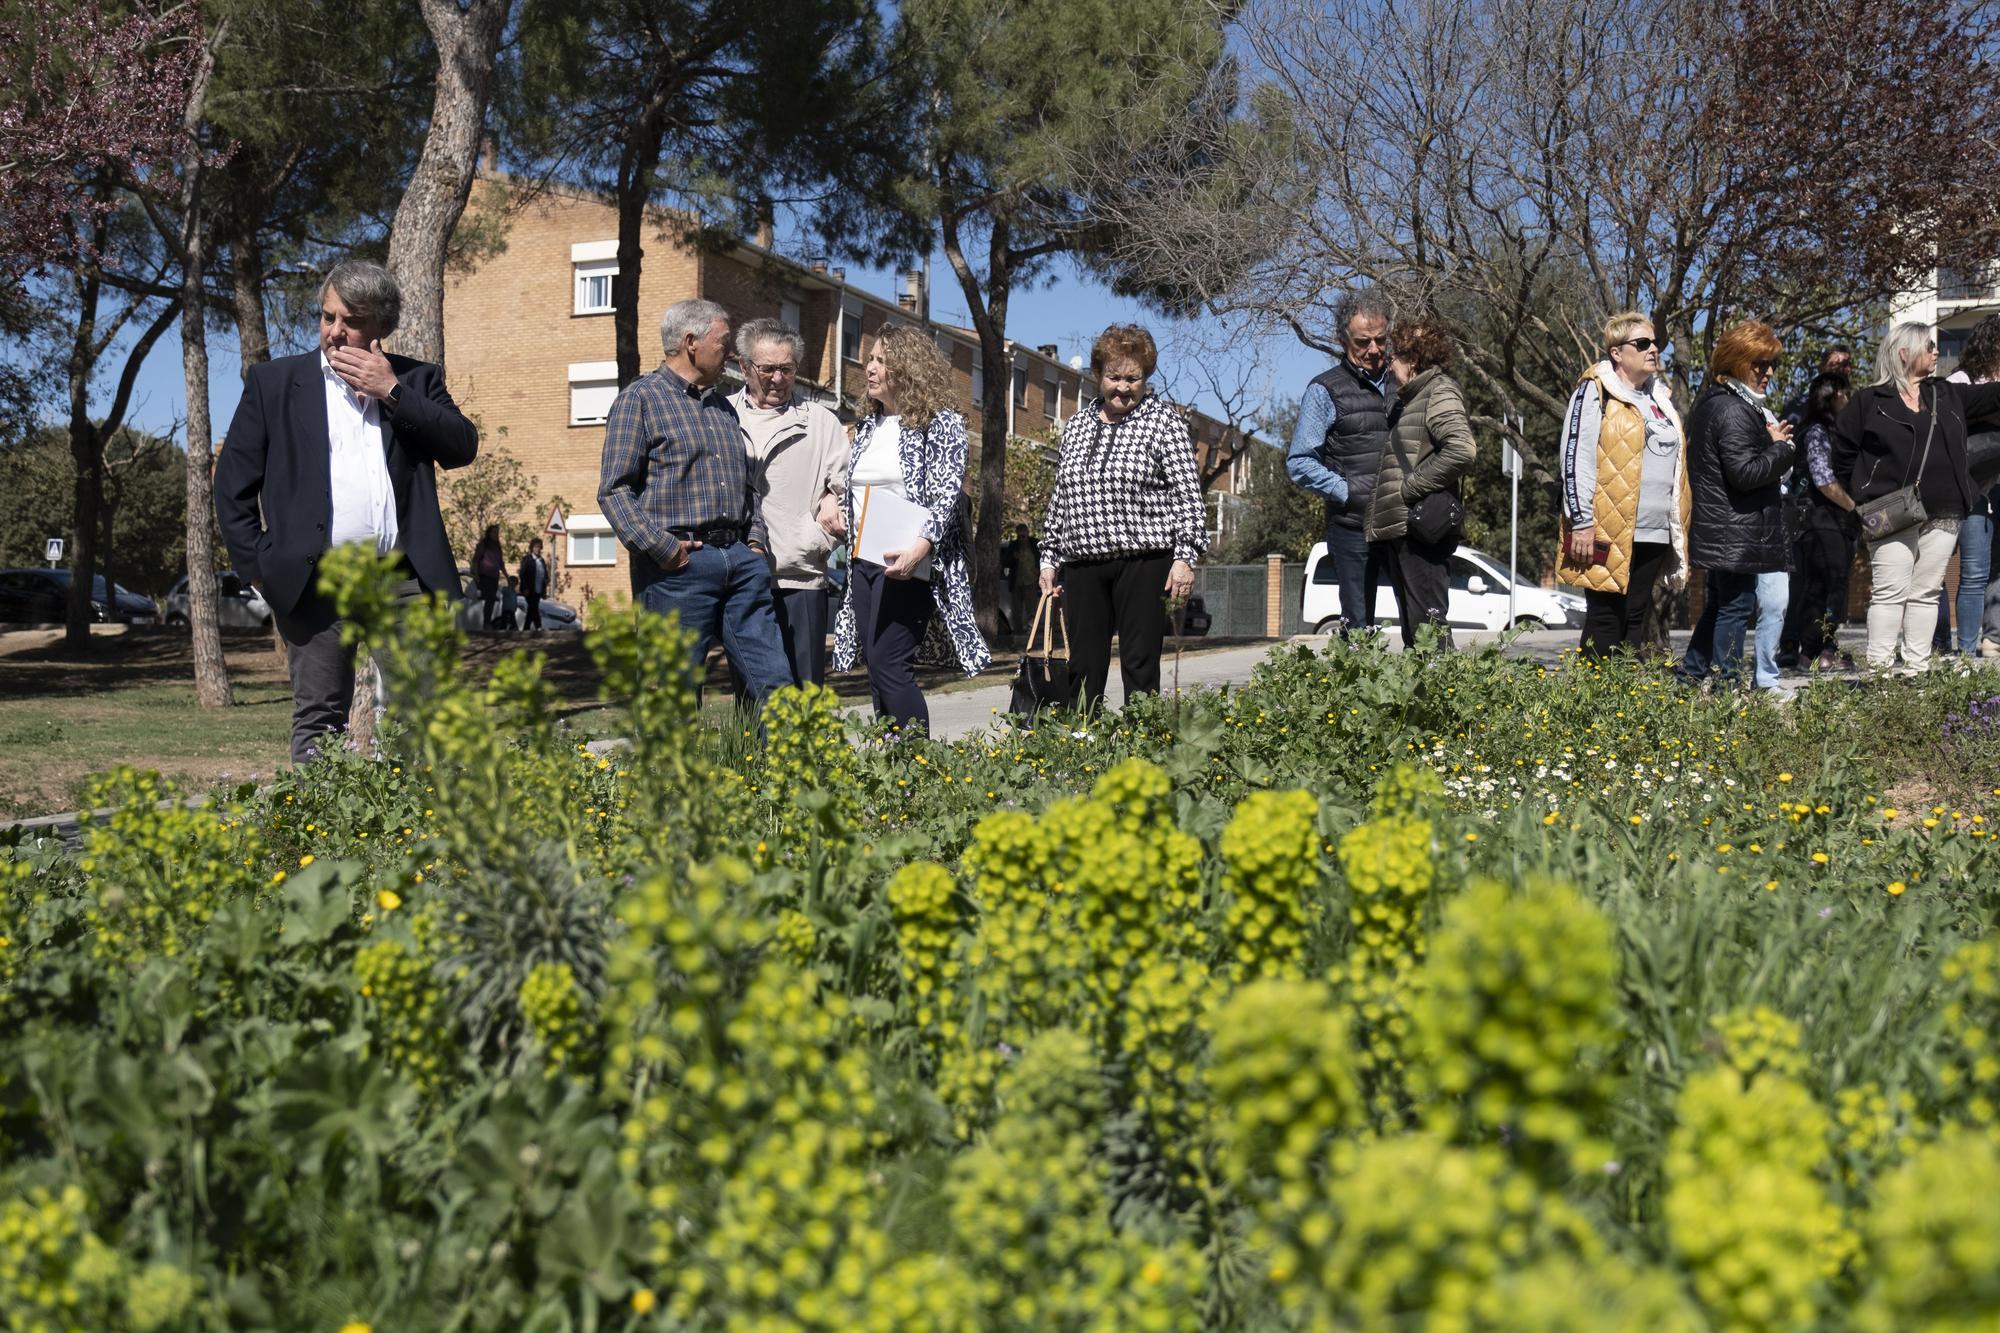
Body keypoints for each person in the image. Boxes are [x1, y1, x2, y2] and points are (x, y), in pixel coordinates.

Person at [215, 258, 479, 764]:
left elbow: (462, 447)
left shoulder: (417, 381)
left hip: (399, 580)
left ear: (382, 325)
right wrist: (259, 568)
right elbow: (232, 488)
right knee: (319, 721)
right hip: (317, 579)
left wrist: (392, 391)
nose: (334, 332)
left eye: (351, 321)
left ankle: (413, 832)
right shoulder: (274, 383)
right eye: (327, 316)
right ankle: (321, 837)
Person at [598, 297, 792, 703]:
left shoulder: (724, 408)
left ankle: (778, 767)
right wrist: (663, 549)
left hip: (740, 563)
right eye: (722, 343)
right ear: (691, 342)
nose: (732, 355)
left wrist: (754, 544)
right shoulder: (640, 400)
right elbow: (614, 490)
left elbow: (748, 487)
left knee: (774, 685)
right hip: (676, 570)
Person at [1038, 324, 1206, 710]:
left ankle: (1141, 753)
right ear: (1099, 376)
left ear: (1145, 379)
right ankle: (1083, 746)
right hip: (1083, 563)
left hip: (1144, 562)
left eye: (1134, 379)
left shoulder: (1164, 423)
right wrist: (1049, 557)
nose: (1123, 387)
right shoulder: (1077, 426)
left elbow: (1188, 498)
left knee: (1139, 663)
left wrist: (1184, 558)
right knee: (1083, 665)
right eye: (1114, 377)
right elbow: (1061, 497)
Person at [831, 326, 990, 730]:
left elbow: (947, 494)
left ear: (907, 368)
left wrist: (921, 547)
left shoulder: (941, 424)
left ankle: (917, 764)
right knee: (876, 666)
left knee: (889, 663)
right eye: (870, 358)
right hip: (864, 560)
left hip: (914, 562)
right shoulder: (867, 427)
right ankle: (893, 763)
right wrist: (834, 512)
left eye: (881, 360)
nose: (870, 368)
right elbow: (853, 491)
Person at [1831, 321, 2000, 673]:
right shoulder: (1869, 401)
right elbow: (1842, 453)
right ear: (1904, 353)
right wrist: (1863, 496)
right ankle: (1879, 672)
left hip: (1945, 510)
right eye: (1929, 346)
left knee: (1925, 592)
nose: (1936, 352)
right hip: (1889, 509)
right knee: (1889, 591)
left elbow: (1994, 395)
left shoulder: (1946, 393)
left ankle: (1916, 669)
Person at [1555, 312, 1690, 658]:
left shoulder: (1660, 399)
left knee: (1634, 619)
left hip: (1653, 532)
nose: (1653, 349)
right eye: (1642, 343)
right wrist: (1581, 522)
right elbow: (1575, 458)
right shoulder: (1596, 391)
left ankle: (1622, 704)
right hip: (1606, 529)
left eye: (1656, 343)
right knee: (1605, 620)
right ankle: (1589, 706)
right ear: (1617, 352)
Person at [1676, 321, 1797, 693]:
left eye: (1771, 363)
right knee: (1734, 607)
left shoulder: (1725, 404)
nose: (1769, 372)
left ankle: (1690, 675)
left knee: (1721, 604)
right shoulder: (1732, 409)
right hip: (1735, 527)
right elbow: (1744, 473)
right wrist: (1781, 448)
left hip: (1730, 527)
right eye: (1760, 364)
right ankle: (1728, 685)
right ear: (1736, 361)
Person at [728, 317, 847, 685]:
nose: (778, 379)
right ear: (745, 366)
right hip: (739, 577)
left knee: (804, 691)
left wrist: (824, 520)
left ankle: (804, 748)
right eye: (767, 369)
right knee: (751, 696)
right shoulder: (721, 414)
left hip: (801, 576)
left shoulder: (821, 422)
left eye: (787, 369)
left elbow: (848, 487)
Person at [1364, 314, 1476, 648]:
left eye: (1396, 354)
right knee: (1418, 632)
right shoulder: (1412, 399)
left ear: (1414, 359)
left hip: (1419, 531)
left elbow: (1462, 449)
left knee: (1428, 630)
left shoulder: (1438, 391)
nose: (1389, 361)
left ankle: (1444, 698)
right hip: (1403, 530)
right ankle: (1424, 698)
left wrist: (1410, 488)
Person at [1287, 286, 1394, 631]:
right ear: (1343, 339)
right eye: (1363, 342)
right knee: (1358, 625)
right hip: (1352, 528)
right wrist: (1350, 491)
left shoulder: (1405, 381)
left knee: (1420, 622)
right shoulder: (1324, 390)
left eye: (1380, 339)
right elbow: (1300, 462)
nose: (1374, 350)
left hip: (1403, 521)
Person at [1784, 372, 1860, 670]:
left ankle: (1823, 648)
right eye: (1846, 392)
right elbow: (1824, 479)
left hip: (1831, 522)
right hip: (1821, 521)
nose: (1849, 399)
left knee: (1832, 588)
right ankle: (1812, 652)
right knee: (1822, 587)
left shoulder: (1834, 429)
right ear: (1833, 396)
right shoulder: (1817, 431)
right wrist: (1854, 508)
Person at [1944, 314, 2000, 657]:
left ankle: (1993, 637)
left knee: (1997, 565)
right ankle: (1964, 652)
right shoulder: (1961, 380)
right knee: (1974, 570)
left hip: (1998, 484)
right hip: (1972, 487)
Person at [1001, 524, 1041, 634]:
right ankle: (1018, 632)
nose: (1022, 537)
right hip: (1017, 582)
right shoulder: (1013, 545)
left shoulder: (1035, 543)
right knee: (1016, 610)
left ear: (1027, 533)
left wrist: (1039, 569)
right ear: (1017, 534)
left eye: (1024, 534)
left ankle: (1031, 631)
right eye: (1020, 535)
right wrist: (1013, 557)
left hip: (1031, 581)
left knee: (1031, 608)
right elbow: (1005, 562)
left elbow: (1041, 558)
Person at [472, 525, 504, 627]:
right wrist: (476, 574)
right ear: (489, 533)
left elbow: (501, 564)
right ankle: (487, 623)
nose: (496, 535)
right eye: (494, 532)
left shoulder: (497, 547)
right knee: (489, 598)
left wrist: (507, 577)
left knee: (491, 600)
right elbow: (476, 559)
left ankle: (487, 621)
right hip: (485, 576)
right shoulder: (484, 545)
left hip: (494, 577)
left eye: (497, 533)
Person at [518, 537, 549, 632]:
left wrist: (546, 580)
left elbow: (545, 574)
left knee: (532, 607)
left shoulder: (542, 560)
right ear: (532, 548)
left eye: (539, 547)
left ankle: (526, 628)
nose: (538, 549)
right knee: (533, 607)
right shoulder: (527, 559)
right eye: (536, 547)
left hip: (539, 588)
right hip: (529, 588)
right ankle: (538, 627)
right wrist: (525, 588)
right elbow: (522, 575)